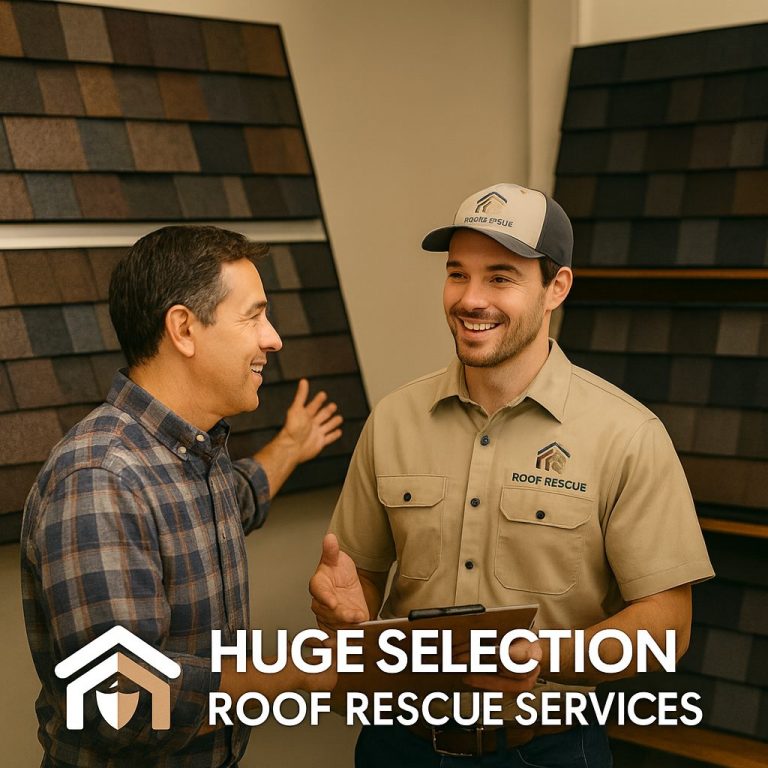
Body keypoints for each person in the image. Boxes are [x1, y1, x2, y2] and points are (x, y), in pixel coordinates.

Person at [310, 183, 715, 767]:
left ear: (557, 288)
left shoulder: (628, 435)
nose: (471, 299)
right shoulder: (393, 419)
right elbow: (362, 579)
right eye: (457, 274)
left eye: (501, 277)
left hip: (547, 750)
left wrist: (539, 655)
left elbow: (667, 629)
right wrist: (350, 615)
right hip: (398, 746)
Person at [21, 225, 341, 768]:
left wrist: (290, 447)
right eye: (254, 316)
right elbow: (122, 701)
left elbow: (232, 503)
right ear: (184, 329)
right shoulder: (100, 478)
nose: (273, 339)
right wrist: (303, 670)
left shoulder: (193, 454)